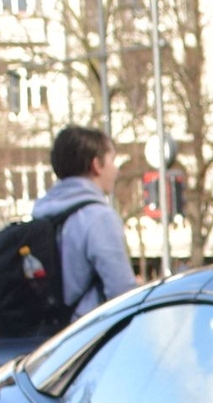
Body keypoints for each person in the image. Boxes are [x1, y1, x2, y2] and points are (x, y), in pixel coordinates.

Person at [32, 125, 137, 319]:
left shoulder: (41, 214)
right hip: (88, 338)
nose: (116, 170)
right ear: (96, 165)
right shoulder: (98, 218)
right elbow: (123, 294)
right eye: (112, 161)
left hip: (48, 338)